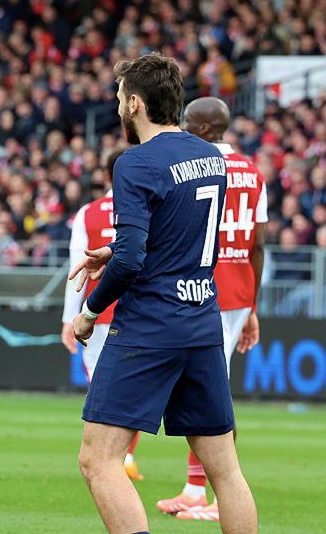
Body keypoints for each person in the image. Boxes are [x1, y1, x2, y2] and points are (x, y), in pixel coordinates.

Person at [71, 53, 257, 534]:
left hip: (150, 325)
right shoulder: (210, 156)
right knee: (225, 470)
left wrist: (89, 311)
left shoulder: (135, 162)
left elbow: (134, 260)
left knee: (98, 460)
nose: (117, 106)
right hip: (202, 320)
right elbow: (177, 231)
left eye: (119, 97)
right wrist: (117, 248)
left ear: (135, 103)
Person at [158, 97, 267, 522]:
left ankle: (221, 499)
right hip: (238, 290)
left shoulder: (197, 165)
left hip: (202, 287)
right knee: (205, 389)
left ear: (204, 128)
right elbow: (258, 244)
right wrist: (252, 305)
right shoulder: (253, 172)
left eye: (188, 121)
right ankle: (194, 489)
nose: (182, 127)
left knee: (211, 395)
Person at [61, 149, 143, 481]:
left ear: (107, 175)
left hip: (99, 312)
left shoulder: (88, 213)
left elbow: (77, 269)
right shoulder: (148, 207)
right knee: (134, 386)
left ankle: (112, 457)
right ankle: (126, 456)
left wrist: (69, 318)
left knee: (102, 385)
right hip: (139, 311)